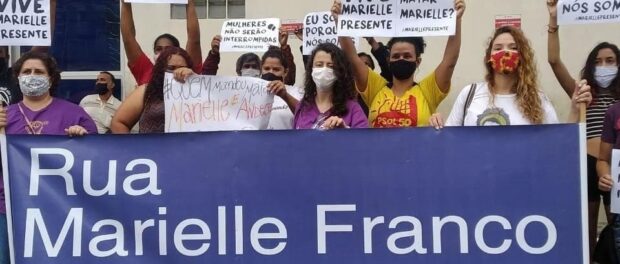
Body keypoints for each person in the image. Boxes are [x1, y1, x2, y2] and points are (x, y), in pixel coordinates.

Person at [0, 51, 97, 263]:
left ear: (50, 78)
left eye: (38, 72)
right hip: (8, 206)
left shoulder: (74, 114)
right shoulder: (5, 115)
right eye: (26, 71)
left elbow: (96, 162)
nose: (32, 75)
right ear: (17, 77)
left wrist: (81, 141)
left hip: (59, 205)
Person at [547, 0, 620, 255]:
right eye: (598, 61)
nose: (604, 66)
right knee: (586, 226)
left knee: (616, 225)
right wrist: (553, 22)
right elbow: (554, 61)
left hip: (615, 167)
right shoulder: (581, 91)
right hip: (586, 163)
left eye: (610, 60)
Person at [333, 0, 465, 128]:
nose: (401, 59)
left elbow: (449, 62)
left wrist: (456, 20)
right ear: (389, 60)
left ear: (417, 61)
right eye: (396, 56)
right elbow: (352, 58)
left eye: (407, 56)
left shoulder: (428, 91)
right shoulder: (375, 88)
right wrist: (340, 22)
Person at [429, 26, 591, 128]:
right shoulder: (469, 94)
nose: (505, 52)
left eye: (513, 48)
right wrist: (437, 123)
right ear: (489, 57)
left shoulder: (538, 99)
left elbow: (557, 145)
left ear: (522, 57)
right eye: (498, 48)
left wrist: (575, 110)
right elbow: (450, 142)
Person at [284, 43, 367, 130]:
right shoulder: (303, 106)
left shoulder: (353, 108)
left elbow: (364, 141)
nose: (324, 69)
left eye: (331, 66)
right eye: (319, 65)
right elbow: (296, 140)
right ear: (311, 69)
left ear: (340, 72)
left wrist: (345, 131)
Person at [111, 47, 194, 134]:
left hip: (189, 146)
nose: (177, 72)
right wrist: (132, 147)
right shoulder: (146, 91)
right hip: (150, 147)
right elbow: (119, 123)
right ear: (161, 69)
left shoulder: (199, 91)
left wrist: (194, 78)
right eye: (170, 68)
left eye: (182, 68)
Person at [121, 0, 202, 86]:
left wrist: (190, 3)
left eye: (168, 49)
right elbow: (128, 40)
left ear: (178, 52)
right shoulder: (146, 71)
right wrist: (125, 4)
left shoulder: (188, 69)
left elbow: (194, 41)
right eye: (158, 49)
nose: (163, 52)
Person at [260, 47, 304, 129]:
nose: (270, 72)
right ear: (261, 69)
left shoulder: (297, 93)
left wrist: (285, 96)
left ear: (285, 72)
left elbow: (306, 116)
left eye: (276, 69)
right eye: (266, 68)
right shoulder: (250, 93)